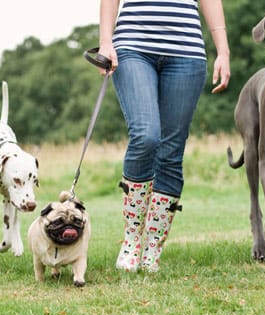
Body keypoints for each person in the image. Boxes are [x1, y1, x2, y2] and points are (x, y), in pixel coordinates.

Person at [98, 0, 230, 272]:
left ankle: (152, 247)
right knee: (146, 135)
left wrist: (223, 51)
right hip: (132, 46)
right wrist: (105, 41)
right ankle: (133, 239)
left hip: (186, 52)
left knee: (171, 152)